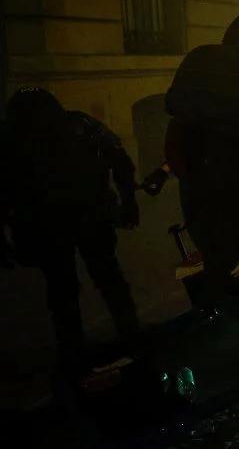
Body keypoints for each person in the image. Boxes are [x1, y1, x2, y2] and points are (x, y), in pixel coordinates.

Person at [0, 88, 140, 366]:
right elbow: (119, 158)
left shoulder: (12, 137)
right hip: (82, 218)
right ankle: (129, 336)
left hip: (53, 224)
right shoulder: (79, 125)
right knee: (106, 280)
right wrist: (128, 200)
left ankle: (75, 350)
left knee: (65, 289)